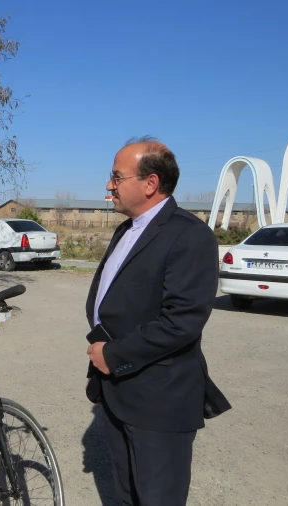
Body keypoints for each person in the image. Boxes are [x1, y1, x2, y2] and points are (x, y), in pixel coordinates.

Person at [84, 137, 231, 506]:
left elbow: (182, 321)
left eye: (117, 177)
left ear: (150, 184)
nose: (108, 185)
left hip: (159, 400)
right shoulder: (127, 228)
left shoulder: (190, 235)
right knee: (126, 494)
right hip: (118, 390)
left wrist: (114, 355)